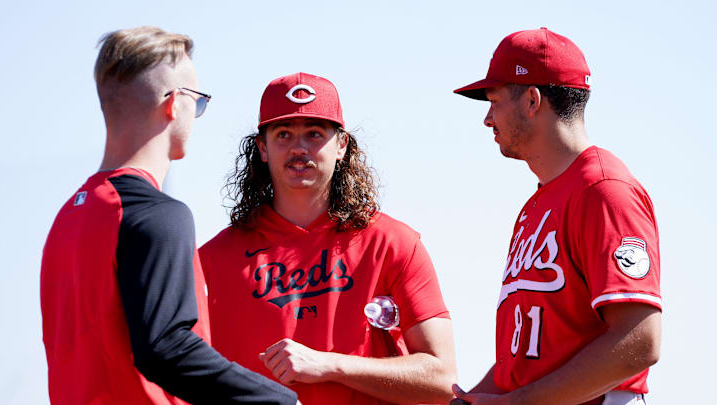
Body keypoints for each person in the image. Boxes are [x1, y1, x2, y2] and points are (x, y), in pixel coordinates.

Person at [40, 26, 298, 405]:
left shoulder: (67, 217)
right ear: (174, 103)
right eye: (198, 101)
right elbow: (166, 348)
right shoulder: (156, 215)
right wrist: (281, 401)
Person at [199, 72, 457, 404]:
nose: (298, 148)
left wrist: (330, 365)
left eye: (315, 134)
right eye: (283, 134)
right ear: (262, 148)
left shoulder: (393, 243)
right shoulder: (211, 260)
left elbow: (442, 379)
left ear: (341, 145)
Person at [450, 28, 661, 405]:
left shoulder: (604, 190)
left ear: (532, 100)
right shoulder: (536, 205)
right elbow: (527, 361)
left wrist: (518, 403)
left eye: (494, 100)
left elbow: (640, 342)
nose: (486, 117)